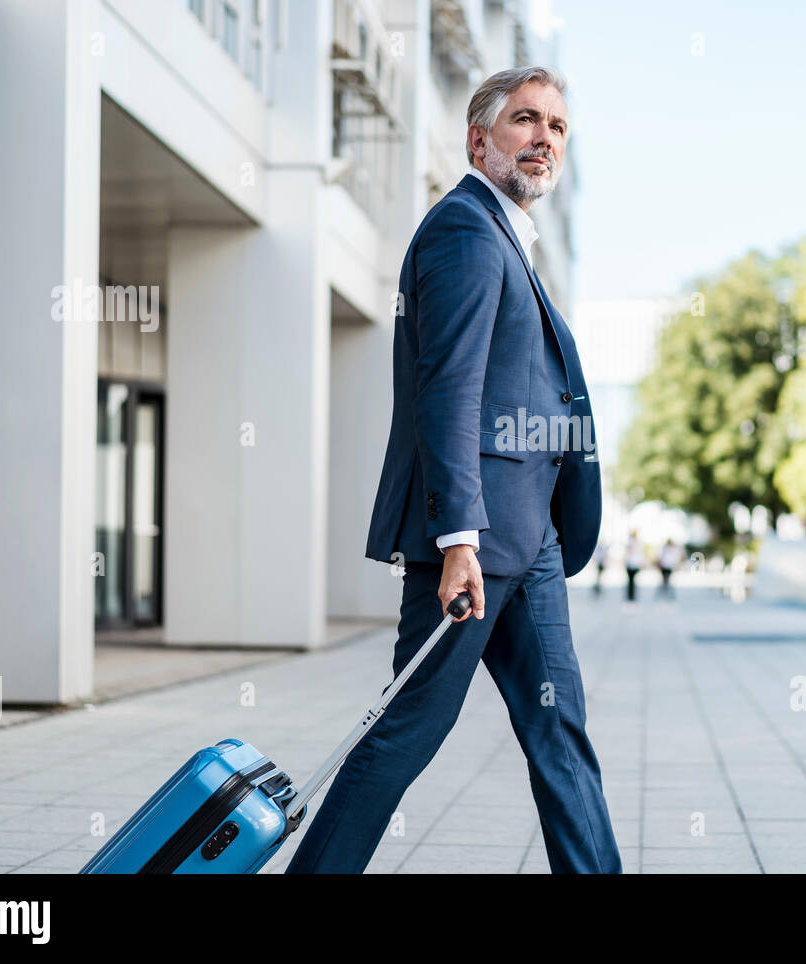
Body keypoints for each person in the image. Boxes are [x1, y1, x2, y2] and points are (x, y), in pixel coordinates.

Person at [286, 67, 621, 875]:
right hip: (472, 546)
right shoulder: (465, 233)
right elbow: (450, 392)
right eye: (525, 121)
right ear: (480, 140)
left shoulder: (508, 238)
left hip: (530, 539)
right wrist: (459, 540)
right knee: (405, 734)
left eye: (557, 127)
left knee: (559, 733)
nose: (544, 138)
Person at [623, 530, 644, 605]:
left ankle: (631, 597)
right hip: (632, 564)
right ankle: (631, 597)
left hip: (632, 564)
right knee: (631, 582)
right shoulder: (635, 542)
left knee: (631, 582)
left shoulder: (633, 542)